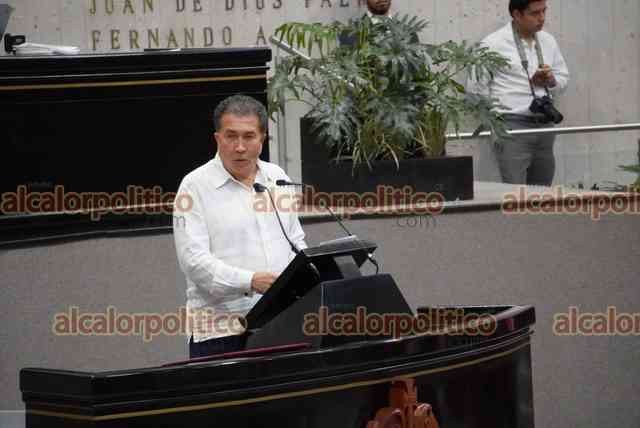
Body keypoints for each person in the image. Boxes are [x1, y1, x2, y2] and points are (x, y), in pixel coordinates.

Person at [173, 94, 306, 358]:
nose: (240, 147)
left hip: (281, 323)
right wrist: (250, 281)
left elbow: (295, 240)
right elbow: (193, 261)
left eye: (249, 136)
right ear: (217, 138)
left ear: (262, 138)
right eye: (231, 136)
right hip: (222, 332)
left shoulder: (277, 178)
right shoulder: (194, 186)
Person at [469, 0, 569, 185]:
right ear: (516, 14)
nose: (542, 18)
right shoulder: (492, 43)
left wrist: (551, 81)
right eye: (535, 13)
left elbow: (563, 78)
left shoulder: (548, 40)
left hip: (545, 124)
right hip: (512, 127)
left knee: (543, 193)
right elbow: (475, 89)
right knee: (515, 193)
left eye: (544, 11)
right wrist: (496, 122)